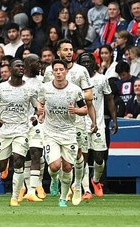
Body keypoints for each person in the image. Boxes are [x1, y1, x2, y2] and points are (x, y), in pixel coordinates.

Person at [44, 39, 96, 206]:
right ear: (58, 52)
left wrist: (73, 95)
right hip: (54, 122)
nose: (68, 52)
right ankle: (59, 183)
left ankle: (79, 186)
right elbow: (44, 94)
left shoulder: (81, 71)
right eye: (65, 49)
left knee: (79, 155)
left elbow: (89, 96)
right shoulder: (49, 71)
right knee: (56, 163)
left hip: (77, 120)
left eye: (71, 49)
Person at [0, 58, 37, 207]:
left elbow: (36, 107)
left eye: (23, 66)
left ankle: (15, 197)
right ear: (11, 69)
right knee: (1, 166)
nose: (21, 68)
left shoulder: (30, 89)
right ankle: (3, 166)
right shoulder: (1, 88)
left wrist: (34, 117)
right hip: (3, 130)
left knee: (19, 160)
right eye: (18, 66)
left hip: (21, 129)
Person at [38, 59, 88, 207]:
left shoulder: (75, 90)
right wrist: (40, 111)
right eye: (56, 70)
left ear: (66, 71)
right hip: (50, 132)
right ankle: (54, 179)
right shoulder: (45, 88)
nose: (59, 72)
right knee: (54, 166)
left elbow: (84, 109)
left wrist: (76, 111)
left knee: (67, 167)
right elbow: (40, 103)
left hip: (68, 132)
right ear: (52, 72)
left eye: (61, 70)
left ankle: (63, 197)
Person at [77, 53, 118, 200]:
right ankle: (86, 190)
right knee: (84, 158)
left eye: (89, 62)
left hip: (99, 125)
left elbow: (109, 99)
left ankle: (95, 181)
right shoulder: (77, 80)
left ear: (94, 63)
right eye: (83, 62)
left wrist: (114, 120)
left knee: (100, 158)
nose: (86, 64)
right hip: (81, 125)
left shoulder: (101, 79)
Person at [18, 54, 45, 202]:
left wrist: (41, 113)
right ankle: (26, 187)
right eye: (37, 62)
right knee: (24, 156)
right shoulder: (18, 81)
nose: (40, 64)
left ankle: (35, 188)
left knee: (36, 153)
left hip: (38, 122)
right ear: (28, 64)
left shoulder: (43, 81)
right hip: (21, 124)